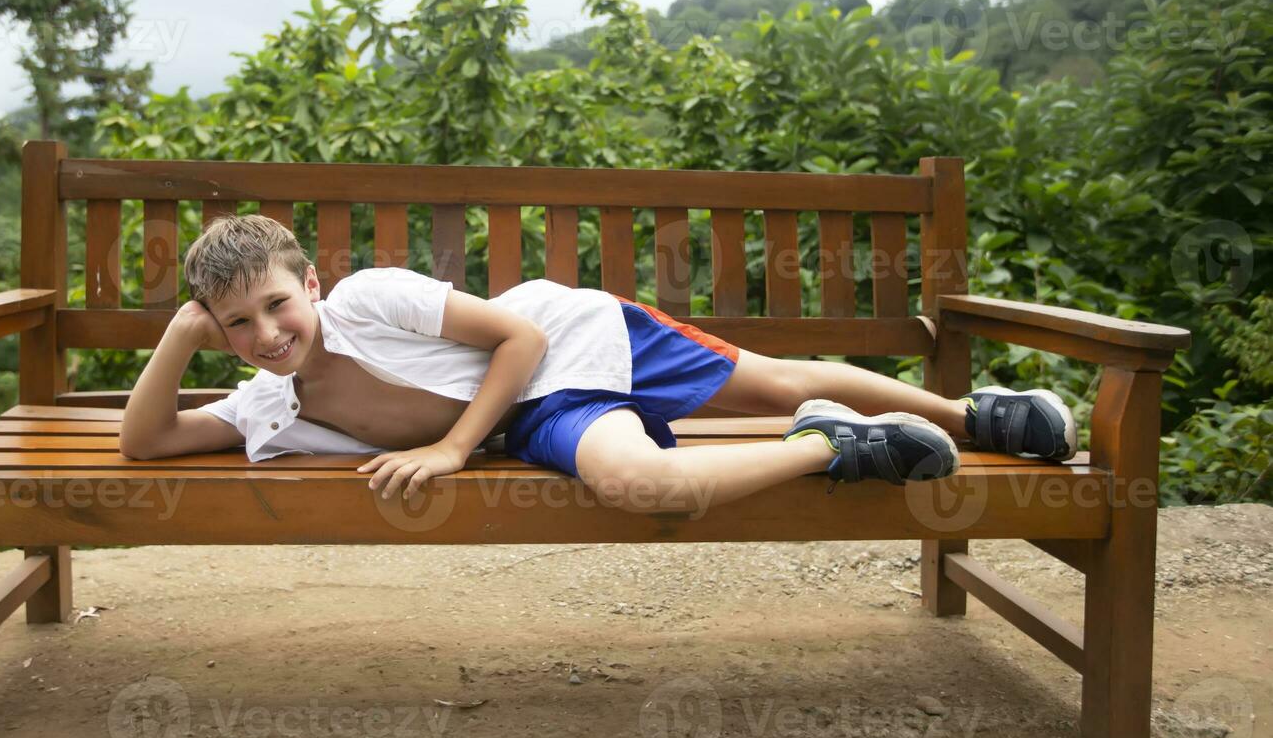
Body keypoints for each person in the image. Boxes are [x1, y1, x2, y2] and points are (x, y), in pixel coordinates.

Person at [120, 215, 1075, 514]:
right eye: (236, 323)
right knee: (642, 482)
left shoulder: (367, 298)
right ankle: (835, 445)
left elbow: (520, 339)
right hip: (535, 412)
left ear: (313, 286)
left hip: (562, 338)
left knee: (774, 379)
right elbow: (148, 441)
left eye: (277, 304)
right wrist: (178, 335)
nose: (267, 333)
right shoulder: (268, 405)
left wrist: (454, 448)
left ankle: (968, 412)